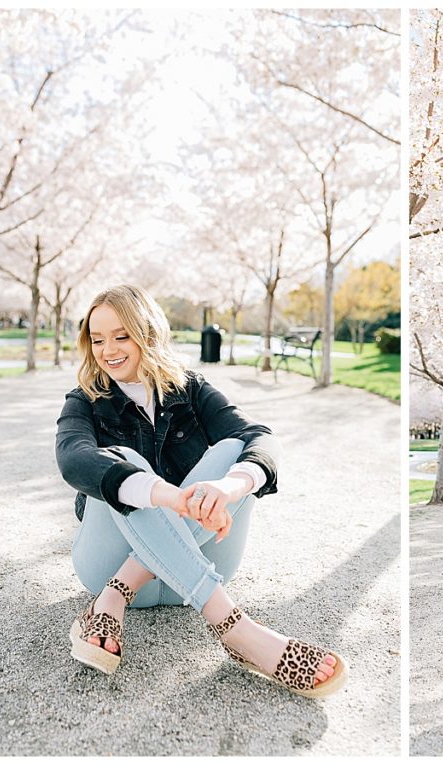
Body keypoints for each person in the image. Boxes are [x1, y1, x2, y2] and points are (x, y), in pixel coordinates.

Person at [55, 284, 346, 697]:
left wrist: (229, 487)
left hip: (189, 567)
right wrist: (165, 494)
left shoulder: (189, 388)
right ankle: (235, 628)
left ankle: (119, 591)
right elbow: (73, 459)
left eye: (122, 335)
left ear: (148, 333)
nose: (108, 350)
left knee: (233, 450)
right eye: (97, 339)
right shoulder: (85, 400)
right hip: (107, 562)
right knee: (119, 457)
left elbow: (261, 439)